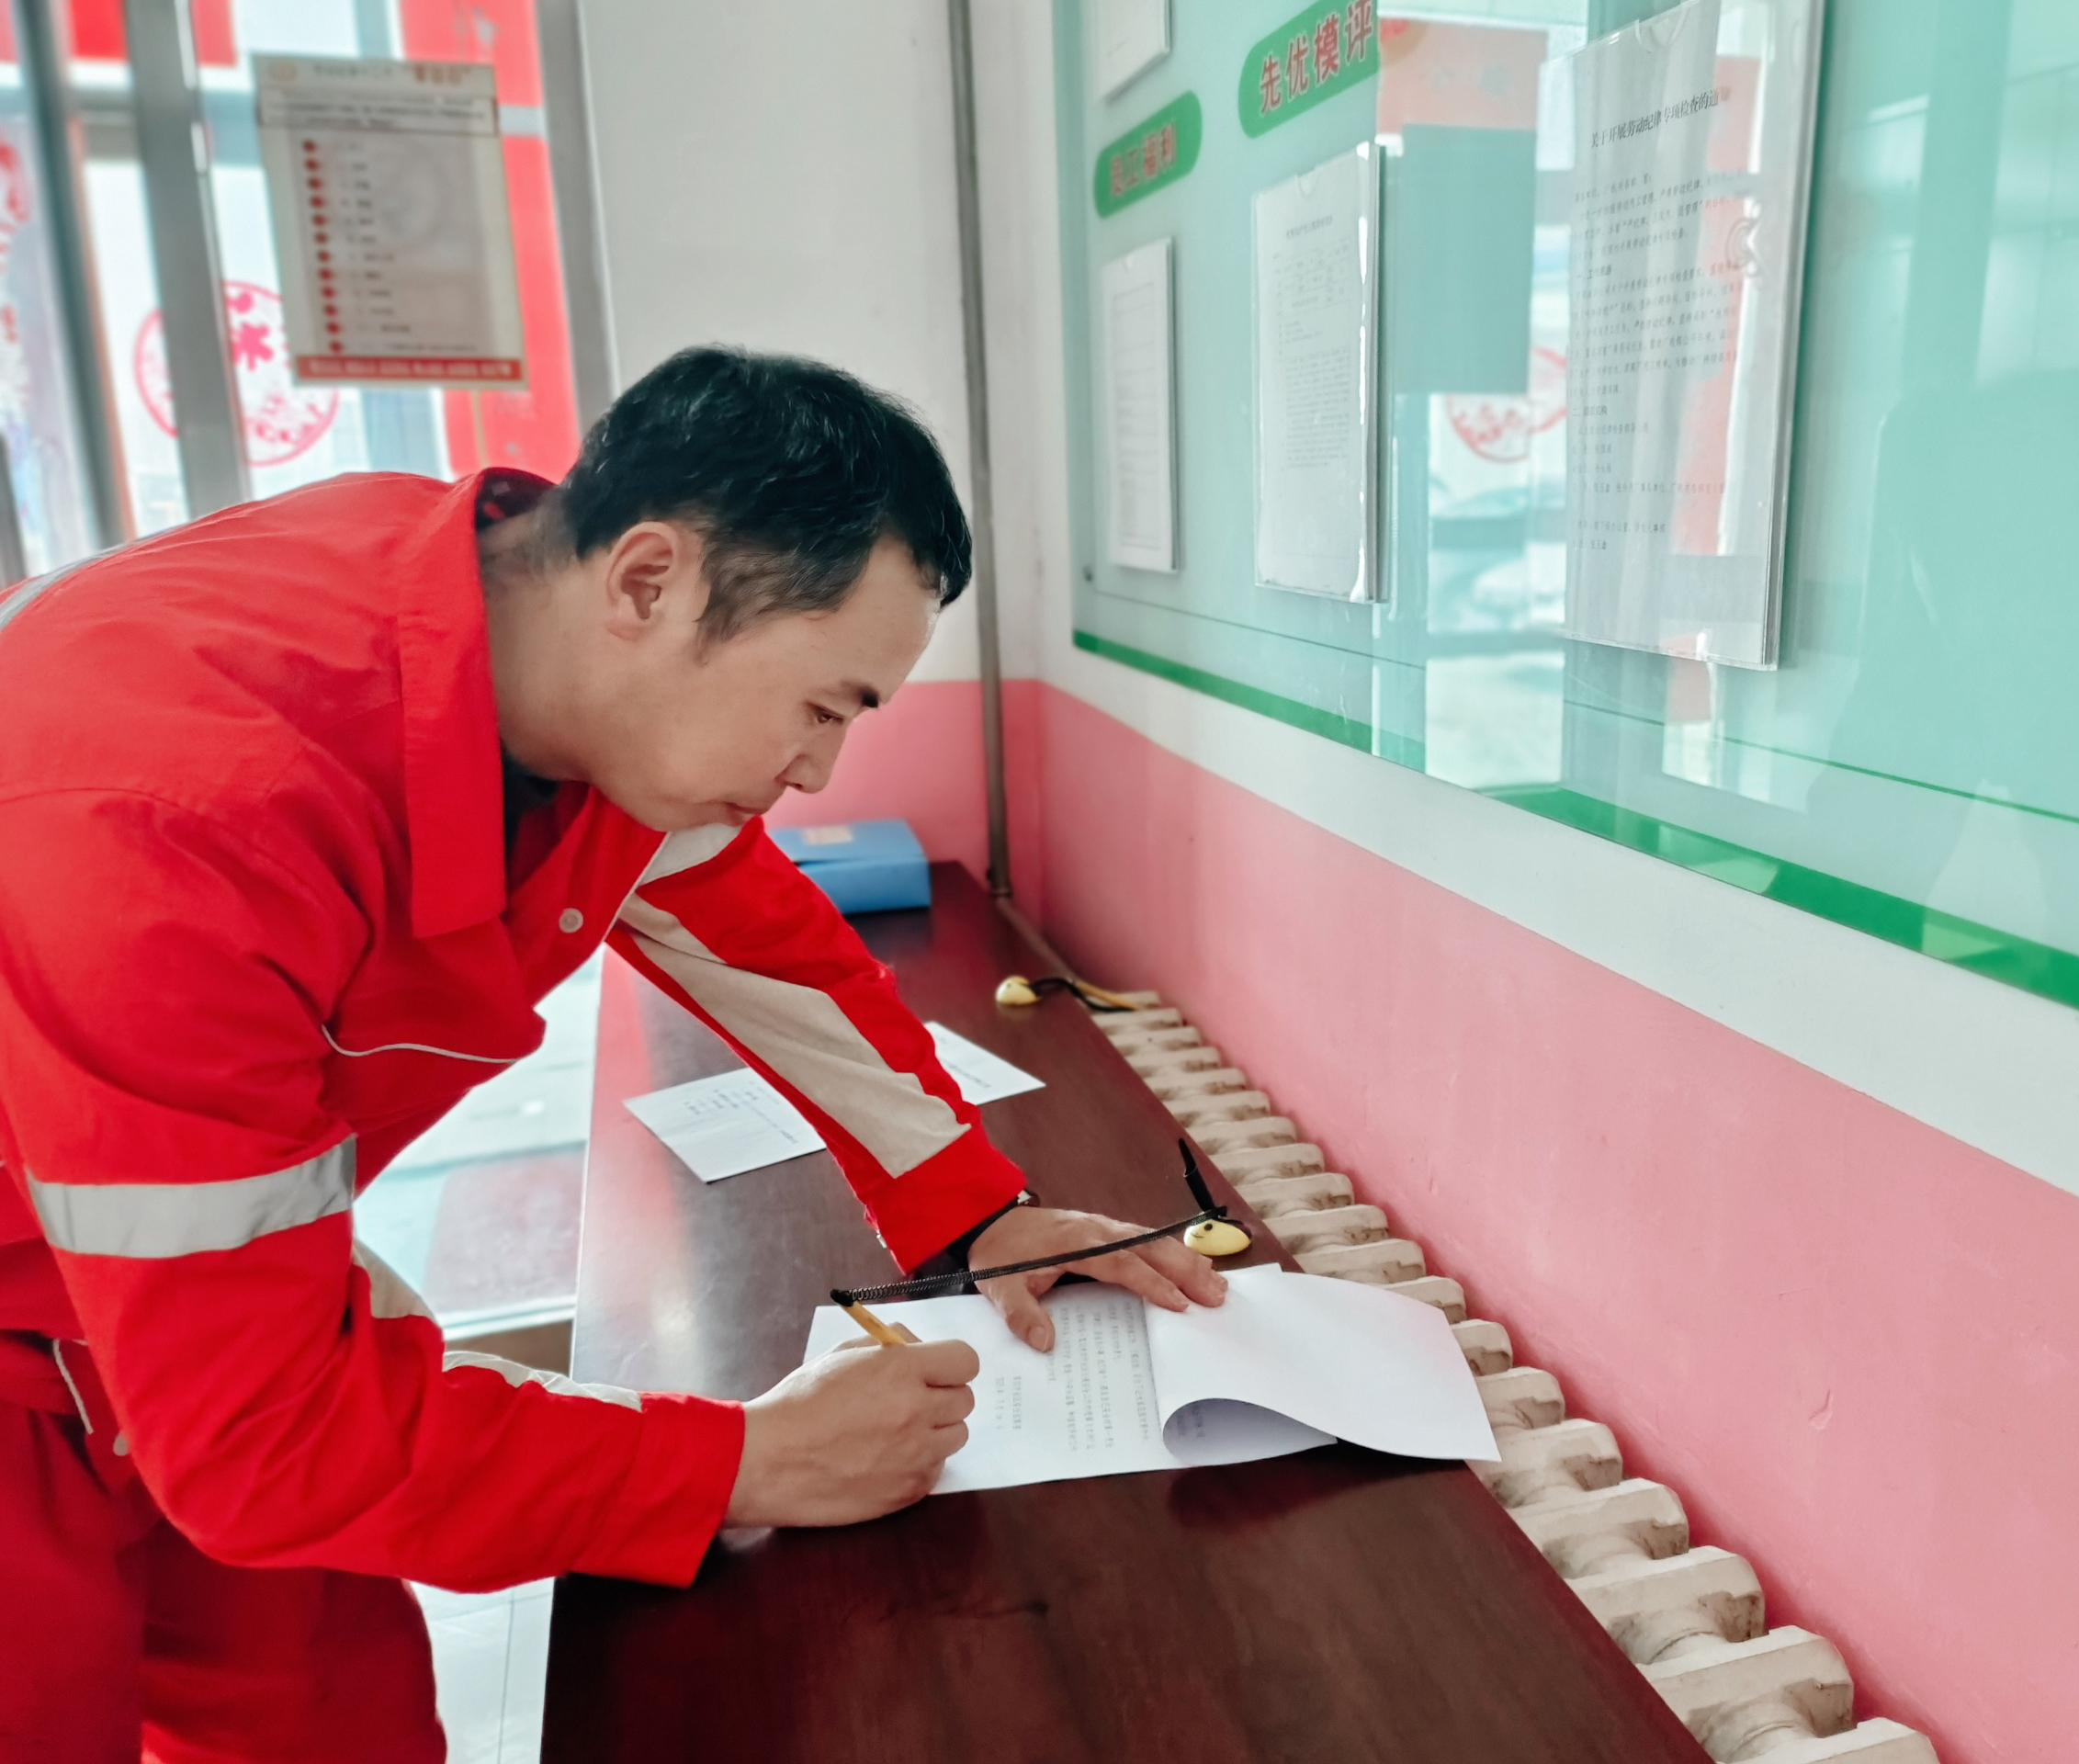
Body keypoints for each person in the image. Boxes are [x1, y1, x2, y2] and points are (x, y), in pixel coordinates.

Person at [0, 345, 1226, 1763]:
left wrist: (977, 1210)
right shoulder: (174, 833)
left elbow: (761, 939)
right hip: (40, 1349)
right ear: (650, 581)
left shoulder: (541, 661)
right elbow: (261, 1444)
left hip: (192, 1300)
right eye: (823, 705)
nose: (821, 773)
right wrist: (739, 1463)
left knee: (341, 1727)